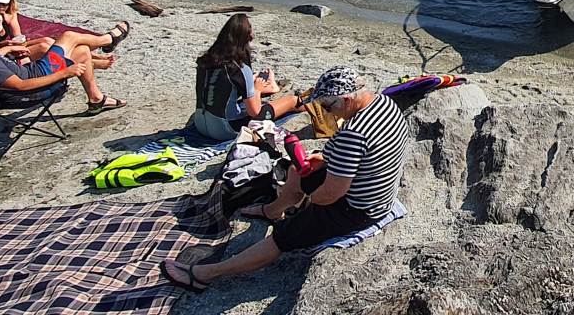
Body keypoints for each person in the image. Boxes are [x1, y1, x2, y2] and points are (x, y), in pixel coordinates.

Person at [162, 65, 410, 291]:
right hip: (374, 192)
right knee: (296, 169)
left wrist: (307, 205)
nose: (326, 113)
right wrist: (324, 160)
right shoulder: (385, 104)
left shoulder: (355, 133)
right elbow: (367, 156)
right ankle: (273, 210)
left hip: (357, 209)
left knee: (282, 237)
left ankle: (205, 275)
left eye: (327, 107)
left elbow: (331, 194)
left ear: (346, 99)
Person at [0, 11, 128, 114]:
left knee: (80, 51)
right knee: (69, 36)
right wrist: (65, 73)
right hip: (36, 82)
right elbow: (20, 86)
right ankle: (108, 40)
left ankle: (96, 99)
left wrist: (5, 49)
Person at [189, 14, 299, 140]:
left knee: (244, 94)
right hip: (226, 129)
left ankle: (270, 88)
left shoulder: (205, 61)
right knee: (292, 101)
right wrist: (257, 89)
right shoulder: (239, 68)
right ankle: (310, 106)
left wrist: (252, 84)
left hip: (200, 124)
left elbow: (220, 85)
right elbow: (254, 112)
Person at [0, 0, 131, 53]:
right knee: (51, 42)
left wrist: (10, 20)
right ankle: (107, 40)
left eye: (4, 4)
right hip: (4, 54)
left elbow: (18, 37)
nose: (1, 8)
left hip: (10, 50)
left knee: (49, 40)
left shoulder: (10, 13)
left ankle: (104, 44)